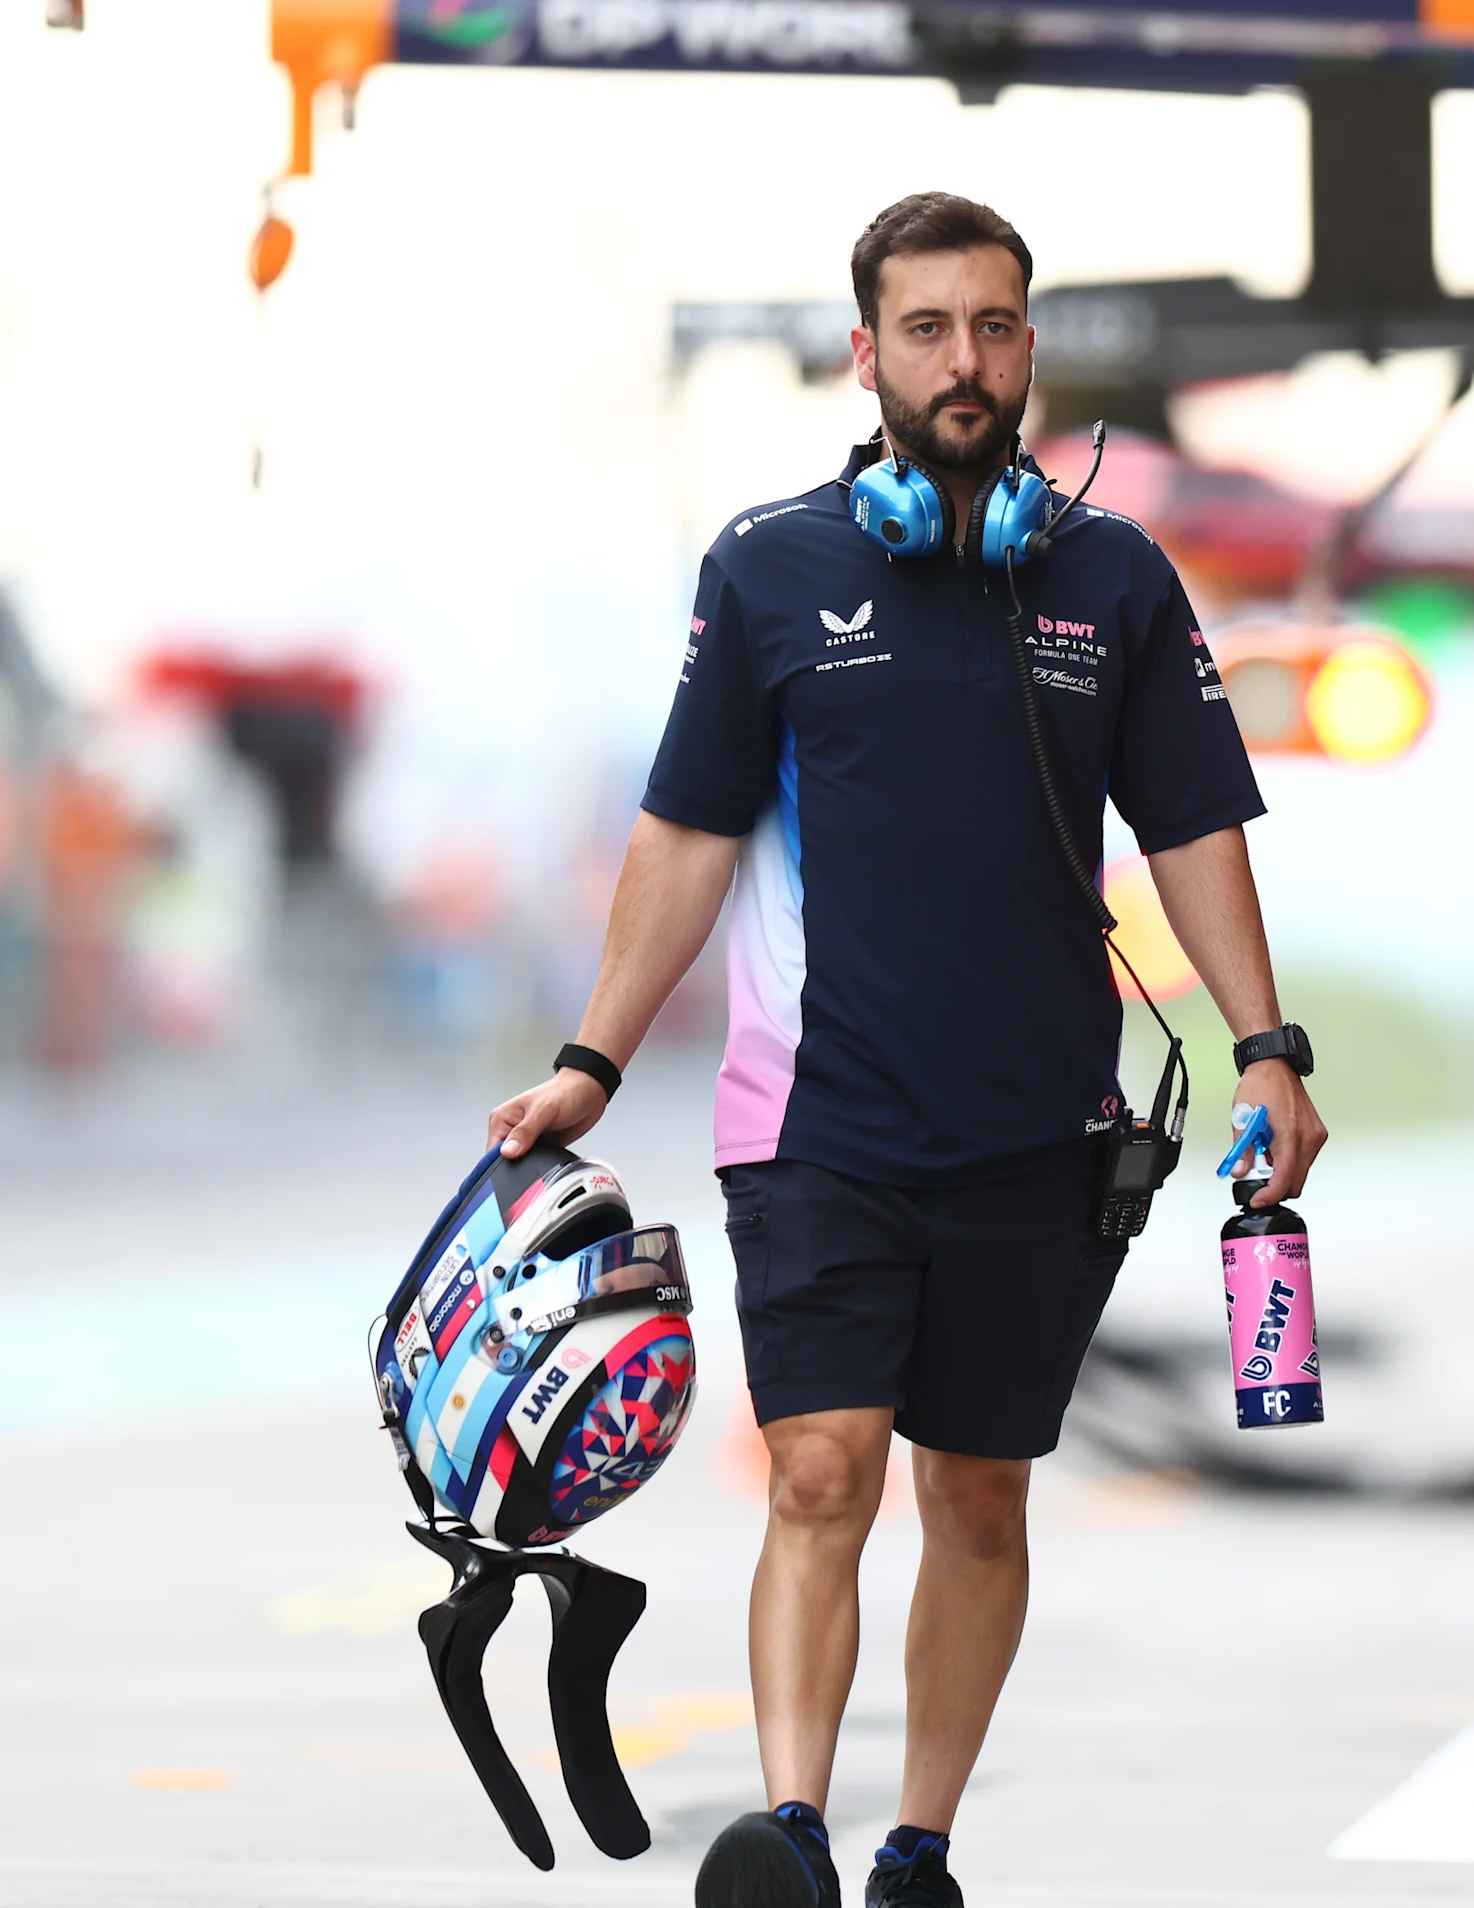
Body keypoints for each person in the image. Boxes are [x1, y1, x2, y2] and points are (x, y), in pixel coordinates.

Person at [486, 192, 1326, 1908]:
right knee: (818, 1465)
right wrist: (593, 1057)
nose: (966, 357)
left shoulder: (1114, 578)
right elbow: (684, 835)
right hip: (816, 1121)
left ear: (1027, 348)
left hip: (1037, 1127)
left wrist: (1267, 1048)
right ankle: (791, 1827)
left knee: (981, 1497)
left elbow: (1192, 829)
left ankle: (917, 1846)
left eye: (994, 325)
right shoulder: (771, 567)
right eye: (928, 327)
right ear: (867, 354)